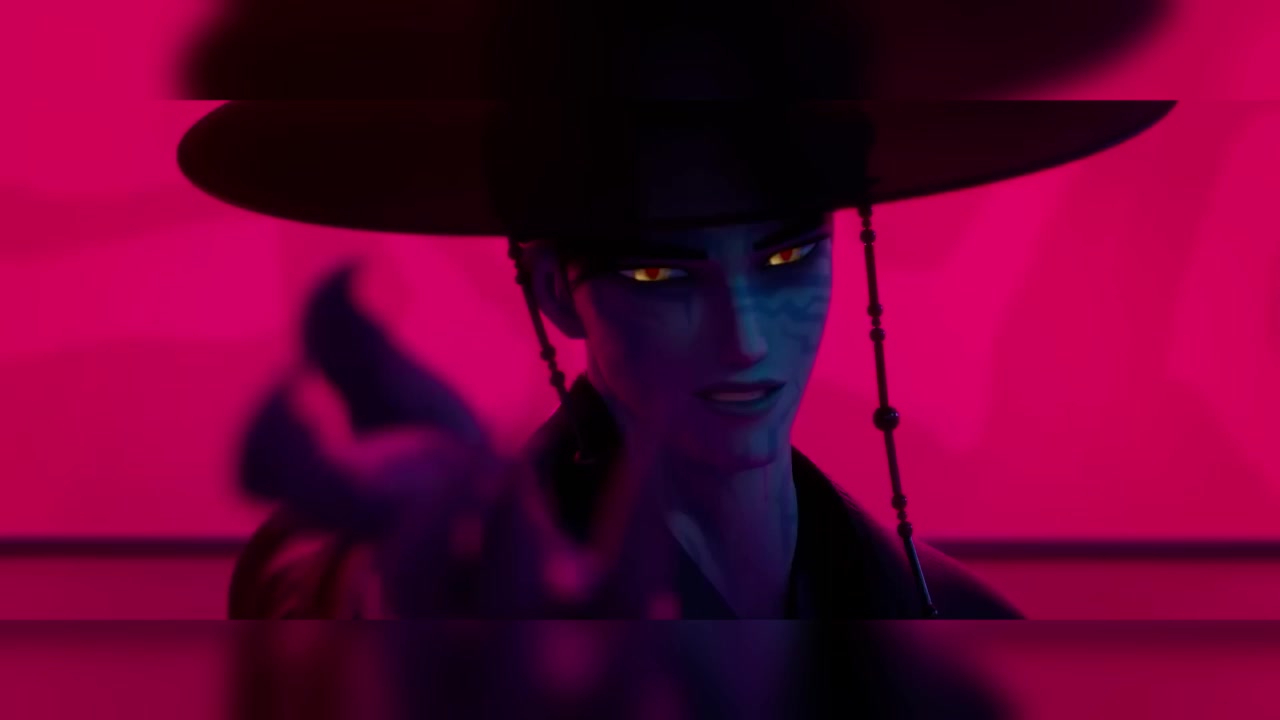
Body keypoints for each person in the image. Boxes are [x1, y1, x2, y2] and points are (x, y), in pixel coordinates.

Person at [178, 0, 1174, 620]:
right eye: (662, 277)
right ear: (555, 289)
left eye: (786, 257)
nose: (743, 337)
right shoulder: (424, 593)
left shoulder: (947, 622)